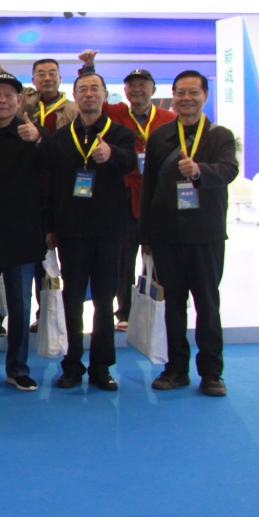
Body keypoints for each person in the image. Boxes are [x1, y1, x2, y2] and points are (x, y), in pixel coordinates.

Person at [142, 70, 238, 397]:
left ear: (205, 96)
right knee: (172, 306)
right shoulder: (161, 136)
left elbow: (229, 170)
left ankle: (212, 373)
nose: (186, 98)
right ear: (173, 95)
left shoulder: (220, 136)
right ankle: (175, 369)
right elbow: (148, 187)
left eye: (193, 92)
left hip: (205, 234)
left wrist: (199, 171)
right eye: (181, 92)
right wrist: (146, 236)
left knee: (207, 305)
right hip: (167, 234)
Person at [43, 72, 137, 391]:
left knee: (104, 302)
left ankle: (101, 367)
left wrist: (111, 155)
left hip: (109, 231)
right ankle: (72, 365)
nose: (88, 94)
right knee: (71, 301)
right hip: (71, 232)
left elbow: (131, 163)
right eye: (82, 89)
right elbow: (52, 185)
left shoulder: (121, 134)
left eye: (94, 88)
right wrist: (50, 226)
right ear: (75, 96)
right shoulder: (61, 137)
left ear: (105, 95)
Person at [0, 73, 53, 391]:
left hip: (23, 235)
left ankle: (18, 367)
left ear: (18, 100)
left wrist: (39, 139)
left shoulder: (33, 133)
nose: (1, 100)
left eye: (8, 95)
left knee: (21, 306)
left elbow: (57, 165)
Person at [77, 54, 177, 329]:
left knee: (160, 258)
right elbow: (92, 97)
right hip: (126, 198)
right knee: (124, 259)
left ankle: (158, 309)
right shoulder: (117, 113)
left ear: (153, 89)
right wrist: (89, 67)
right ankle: (125, 312)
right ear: (125, 90)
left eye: (143, 85)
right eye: (132, 85)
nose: (137, 89)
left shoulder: (169, 119)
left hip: (160, 199)